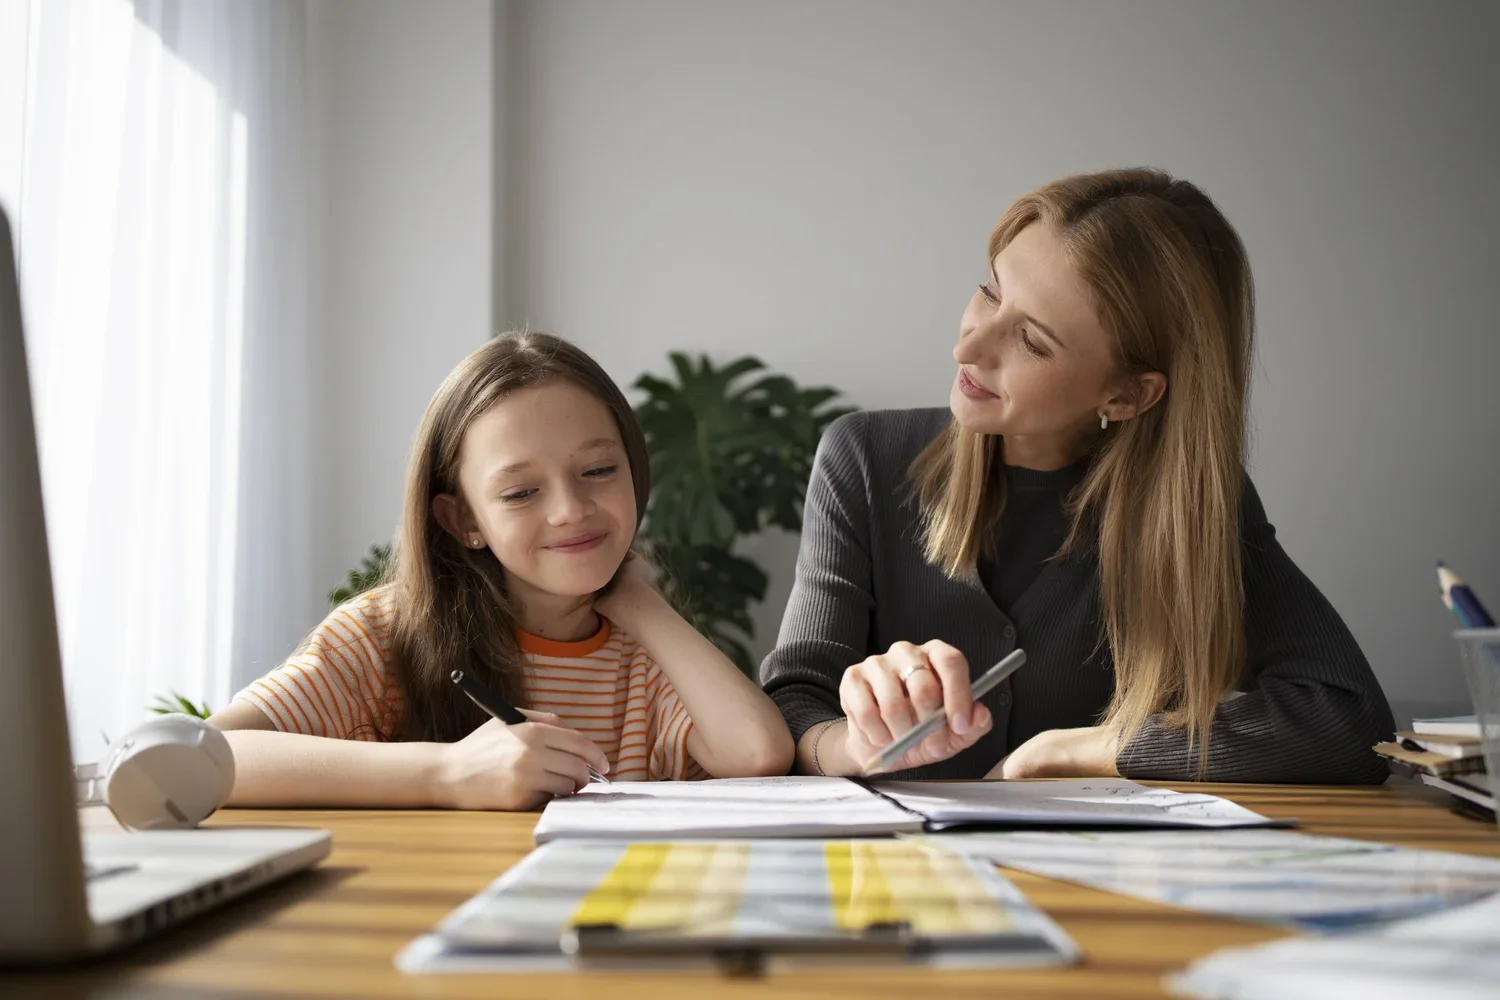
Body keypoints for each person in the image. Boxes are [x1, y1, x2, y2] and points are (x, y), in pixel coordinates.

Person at [762, 168, 1393, 783]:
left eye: (1032, 341)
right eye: (990, 291)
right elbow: (794, 707)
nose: (969, 348)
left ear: (1127, 395)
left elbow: (1348, 721)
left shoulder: (1191, 509)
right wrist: (860, 744)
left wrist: (1082, 750)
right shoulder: (864, 458)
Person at [210, 332, 794, 809]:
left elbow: (757, 755)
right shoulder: (381, 635)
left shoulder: (649, 654)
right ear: (463, 518)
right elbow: (205, 754)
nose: (570, 510)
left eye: (598, 471)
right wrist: (445, 772)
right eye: (520, 493)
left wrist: (639, 601)